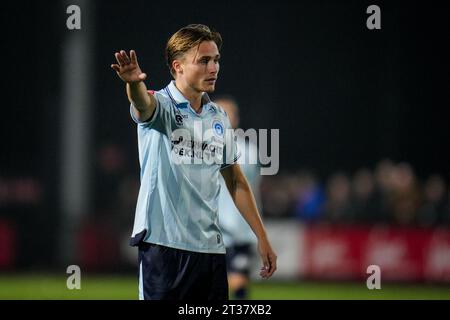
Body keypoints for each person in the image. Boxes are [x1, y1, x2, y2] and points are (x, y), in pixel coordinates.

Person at [110, 24, 277, 300]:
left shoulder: (219, 118)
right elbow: (142, 104)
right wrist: (133, 83)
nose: (213, 68)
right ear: (178, 67)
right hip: (163, 247)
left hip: (210, 251)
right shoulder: (162, 106)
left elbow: (235, 180)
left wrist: (262, 237)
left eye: (216, 60)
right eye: (204, 61)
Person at [214, 96, 261, 300]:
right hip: (210, 229)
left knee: (238, 281)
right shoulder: (199, 147)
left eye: (227, 114)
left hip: (240, 229)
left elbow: (245, 185)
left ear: (236, 119)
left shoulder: (247, 151)